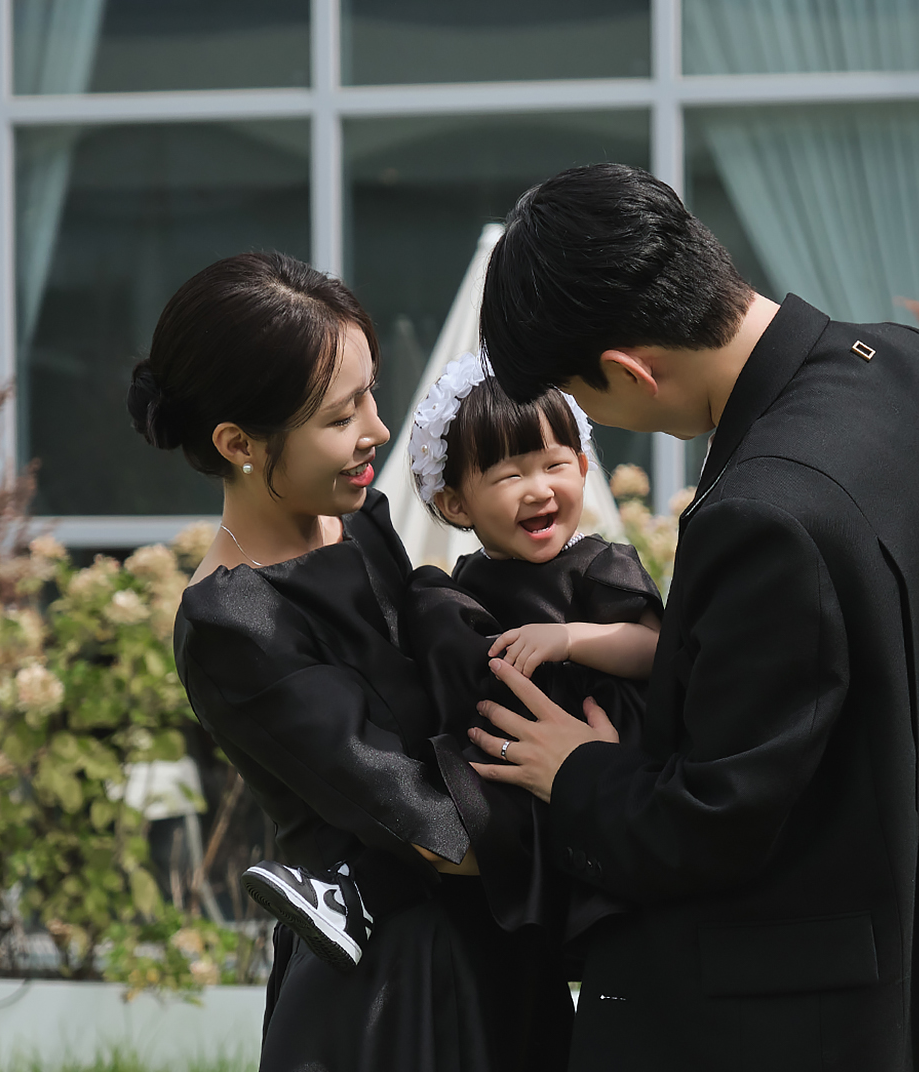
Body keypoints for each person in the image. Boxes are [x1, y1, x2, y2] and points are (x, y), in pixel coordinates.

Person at [468, 164, 919, 1072]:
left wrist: (579, 773)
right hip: (896, 970)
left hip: (772, 1039)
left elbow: (714, 816)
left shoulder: (765, 511)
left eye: (583, 399)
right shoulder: (907, 366)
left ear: (628, 369)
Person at [130, 251, 568, 1072]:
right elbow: (436, 832)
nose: (376, 432)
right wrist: (602, 796)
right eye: (340, 418)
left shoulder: (356, 521)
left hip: (497, 945)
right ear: (239, 442)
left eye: (372, 396)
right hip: (402, 992)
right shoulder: (236, 622)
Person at [245, 350, 662, 959]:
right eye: (510, 476)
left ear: (581, 465)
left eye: (555, 465)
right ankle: (354, 895)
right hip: (504, 745)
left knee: (476, 805)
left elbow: (655, 650)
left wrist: (569, 638)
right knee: (450, 797)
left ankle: (355, 894)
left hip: (594, 736)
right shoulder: (465, 584)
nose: (539, 490)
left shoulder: (598, 564)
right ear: (456, 504)